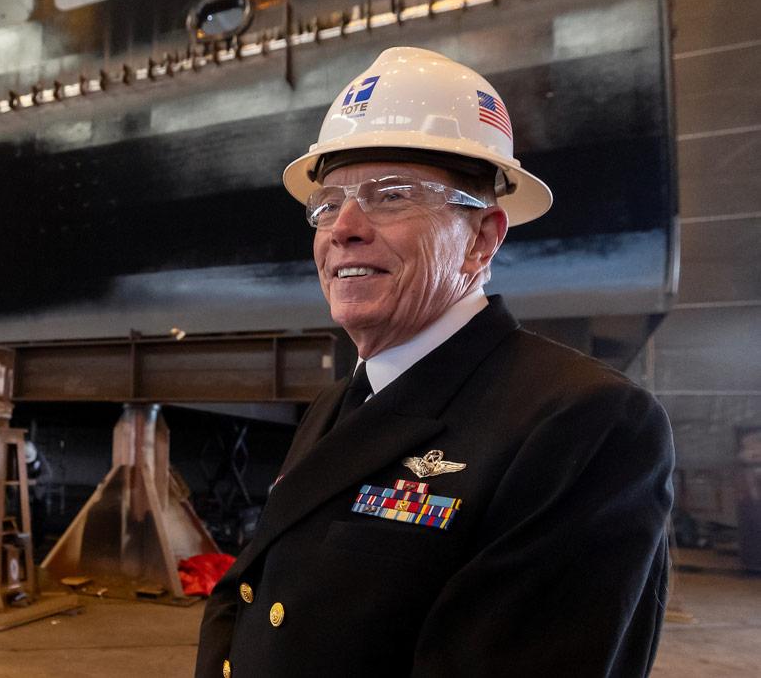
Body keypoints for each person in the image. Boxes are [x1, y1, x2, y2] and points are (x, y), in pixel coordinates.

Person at [195, 47, 674, 677]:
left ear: (482, 238)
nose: (344, 227)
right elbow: (249, 594)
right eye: (328, 203)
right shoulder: (339, 404)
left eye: (390, 197)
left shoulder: (584, 422)